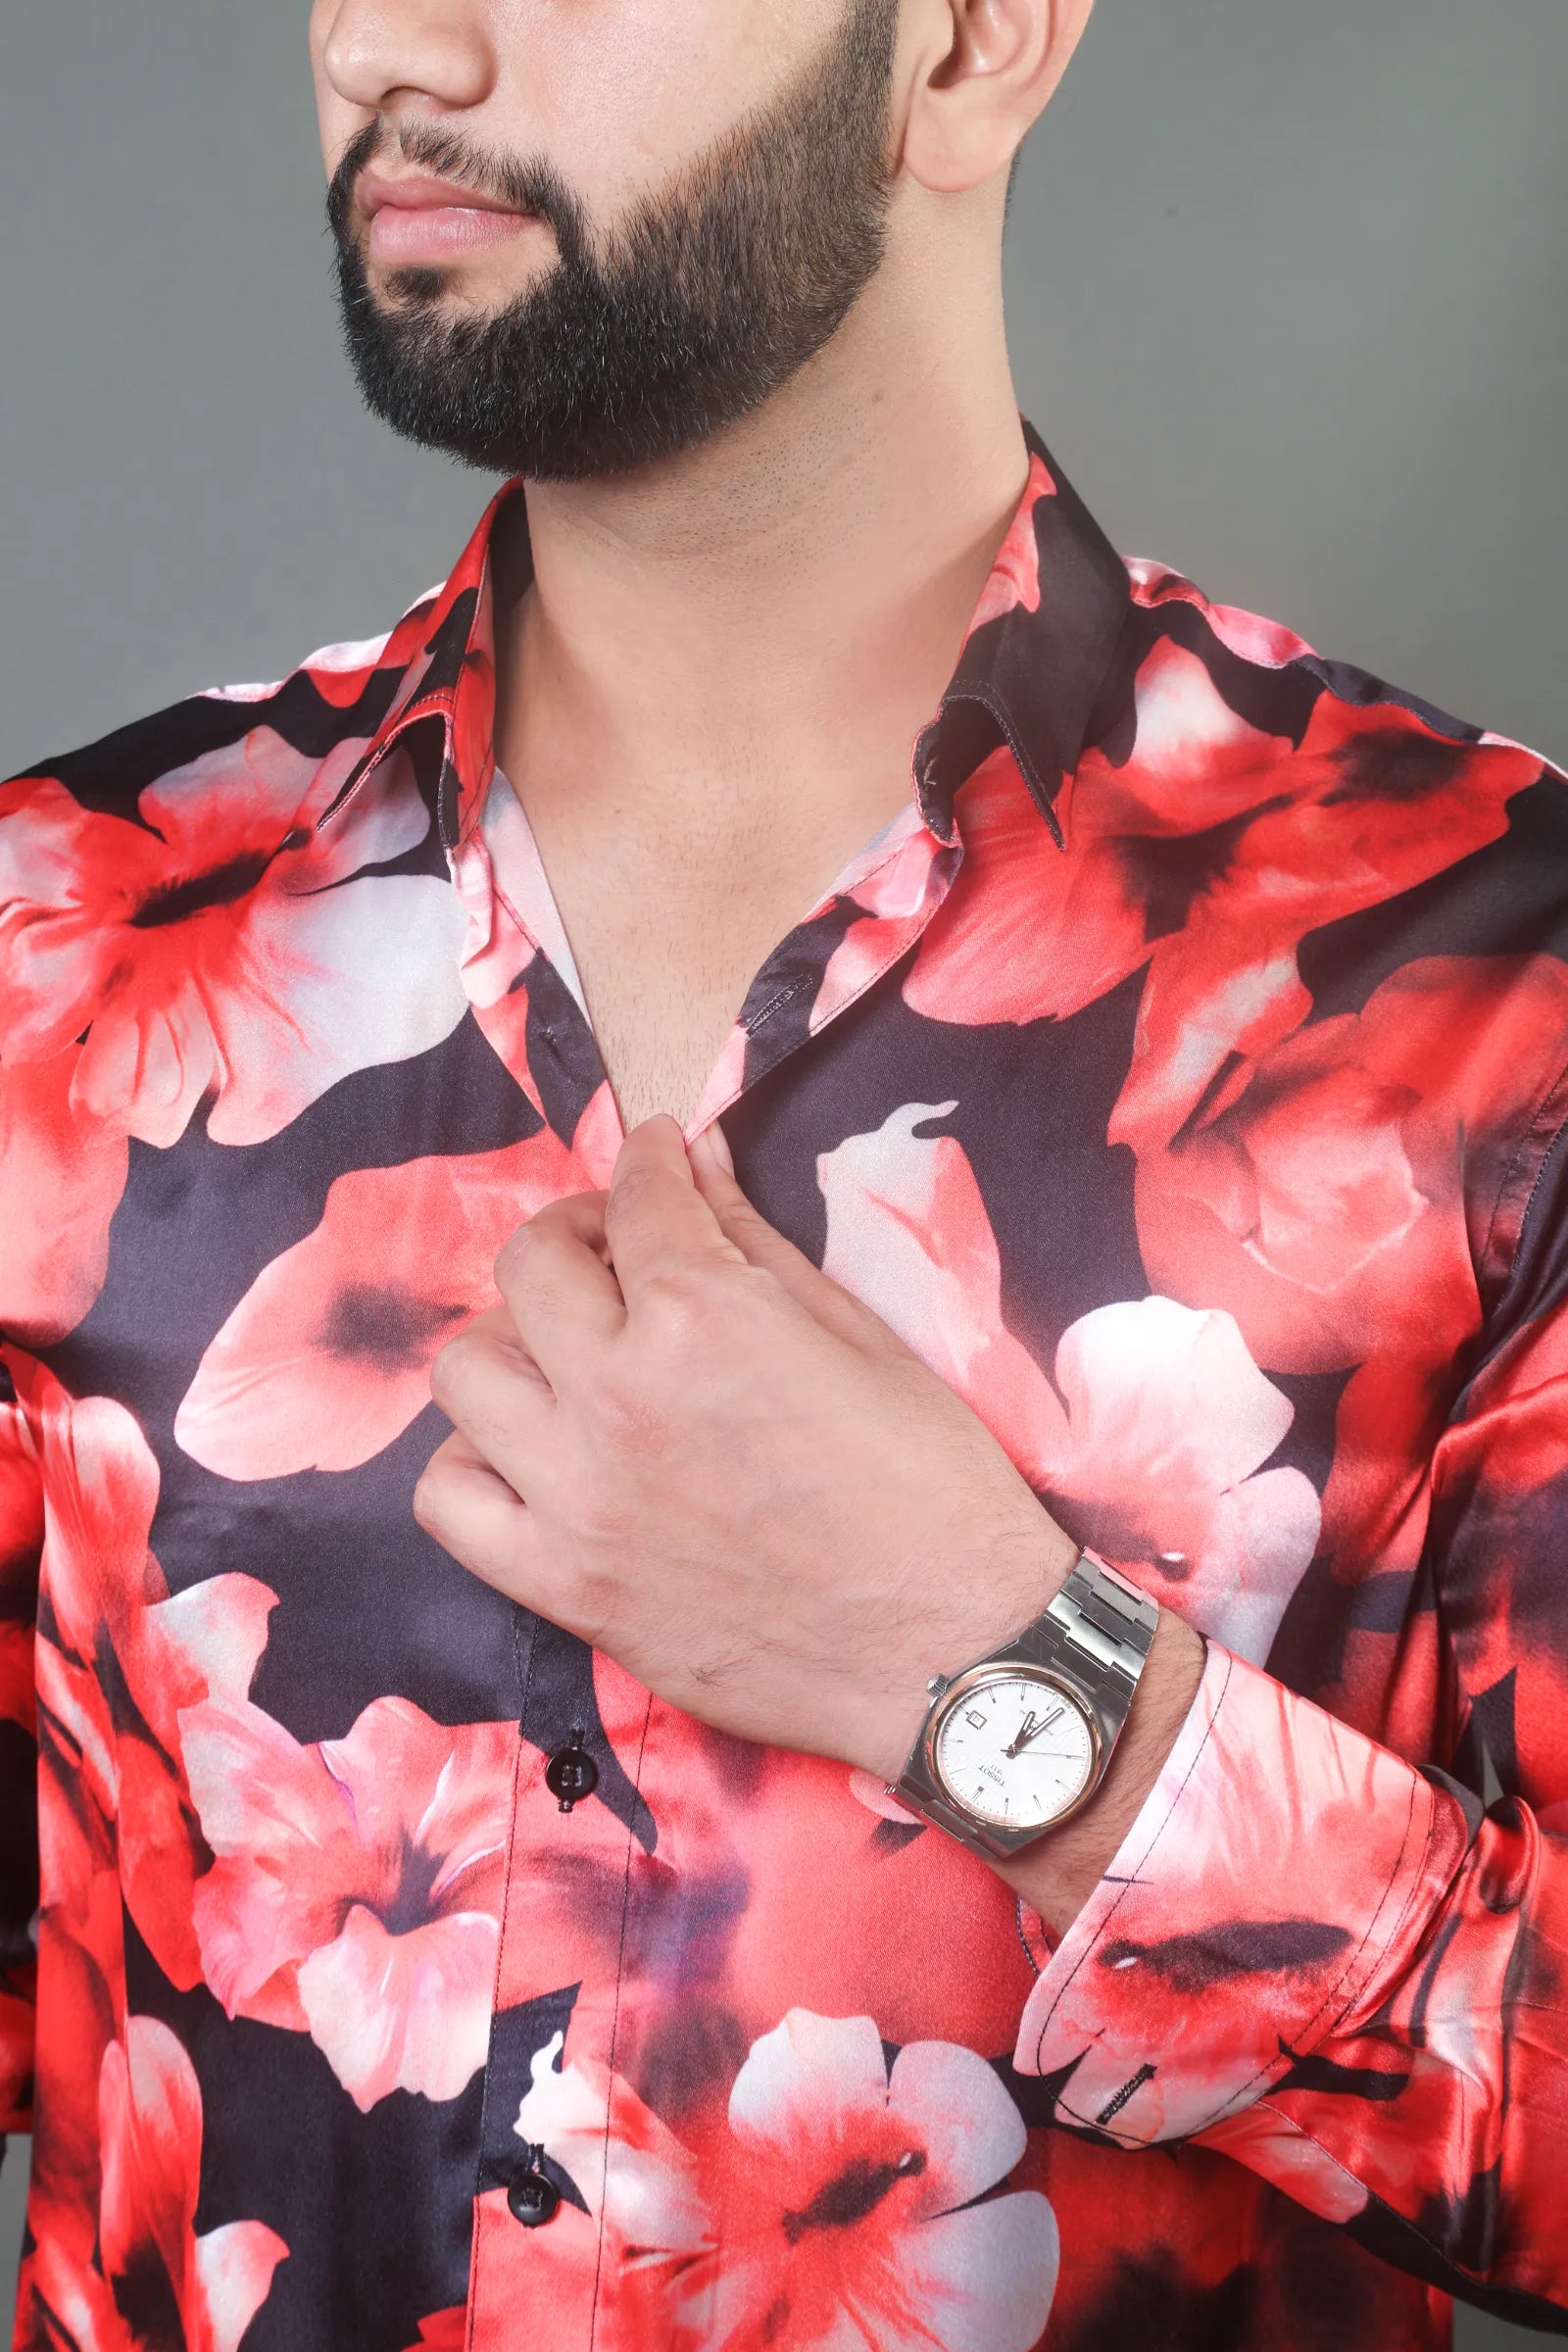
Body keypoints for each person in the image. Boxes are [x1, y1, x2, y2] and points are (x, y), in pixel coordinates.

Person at [1, 0, 1564, 2342]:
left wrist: (1003, 1688)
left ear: (963, 46)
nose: (380, 42)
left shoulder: (1492, 991)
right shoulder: (53, 953)